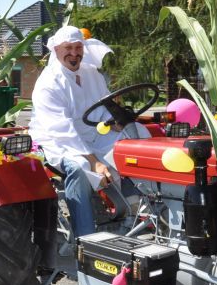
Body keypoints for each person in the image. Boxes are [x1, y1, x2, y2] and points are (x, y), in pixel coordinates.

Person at [29, 26, 141, 240]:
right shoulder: (48, 84)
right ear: (56, 50)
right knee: (79, 167)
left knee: (136, 139)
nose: (74, 53)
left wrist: (114, 120)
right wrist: (93, 161)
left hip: (92, 132)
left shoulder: (91, 73)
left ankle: (136, 207)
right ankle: (85, 238)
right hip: (55, 140)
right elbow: (62, 129)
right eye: (68, 48)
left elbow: (103, 104)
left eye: (78, 47)